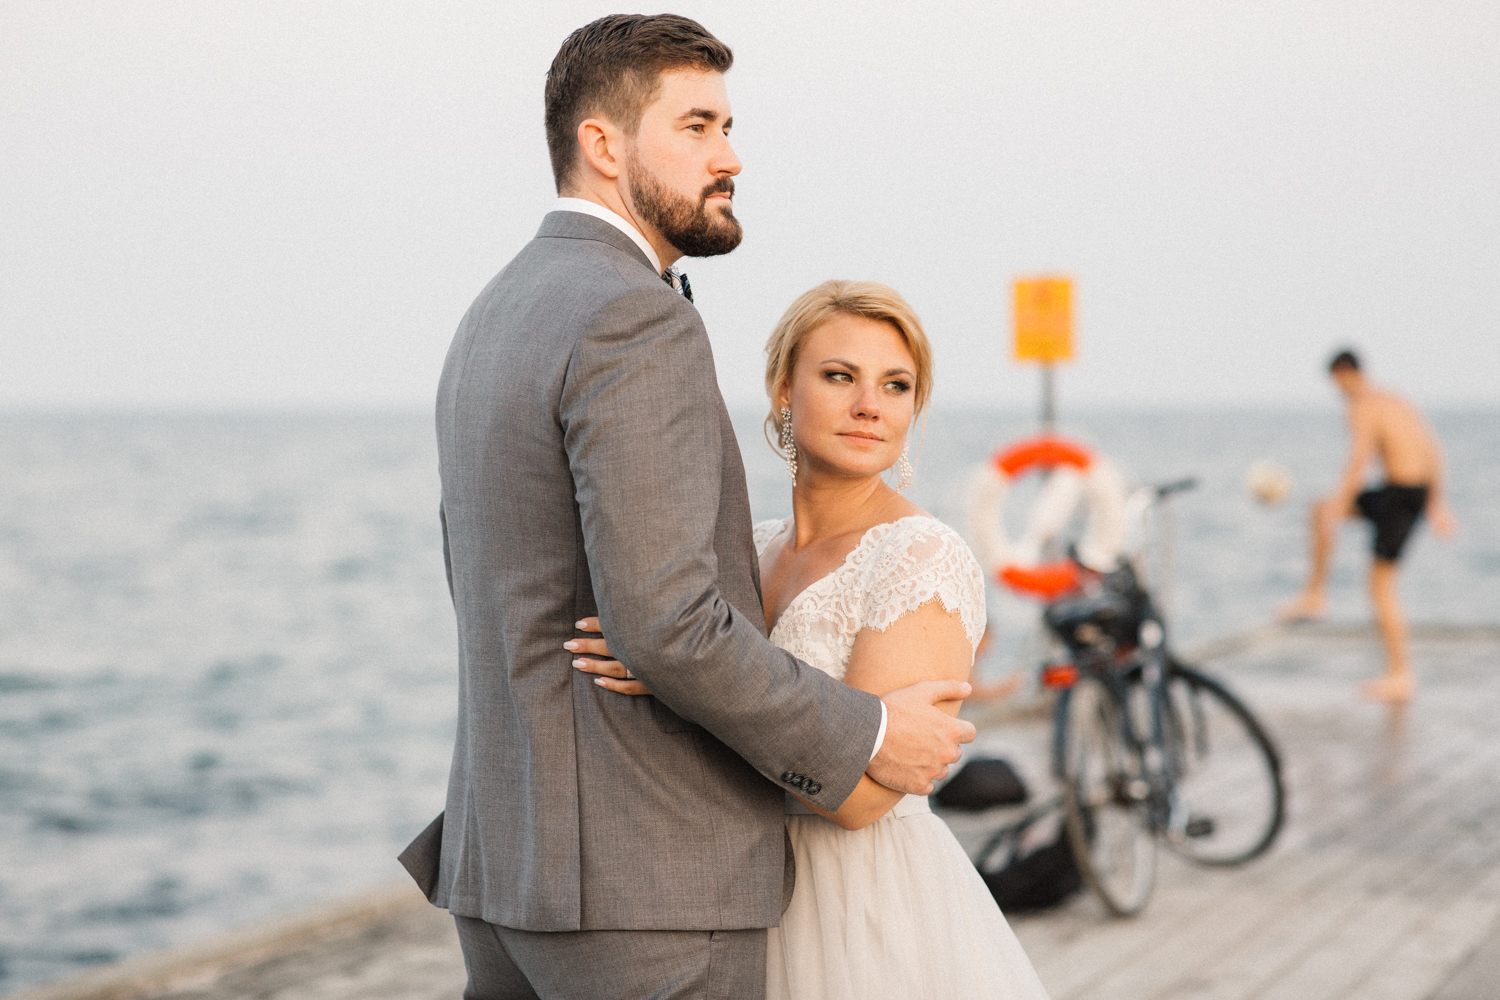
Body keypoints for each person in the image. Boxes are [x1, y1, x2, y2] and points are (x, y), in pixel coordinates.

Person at [397, 15, 976, 999]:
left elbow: (506, 578)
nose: (731, 156)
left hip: (504, 864)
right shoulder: (634, 316)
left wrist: (655, 638)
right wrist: (873, 733)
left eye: (728, 126)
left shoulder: (494, 313)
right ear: (604, 144)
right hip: (647, 884)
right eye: (699, 126)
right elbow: (665, 621)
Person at [578, 281, 1052, 999]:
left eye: (896, 386)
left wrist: (684, 680)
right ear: (782, 390)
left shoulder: (921, 556)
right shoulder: (750, 549)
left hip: (863, 907)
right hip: (739, 897)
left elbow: (862, 798)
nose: (870, 405)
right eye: (840, 376)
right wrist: (678, 658)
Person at [1279, 349, 1456, 701]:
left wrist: (1339, 508)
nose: (1337, 391)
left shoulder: (1361, 406)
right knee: (1319, 510)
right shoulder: (1395, 400)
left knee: (1381, 587)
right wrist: (1436, 503)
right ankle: (1315, 594)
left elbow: (1359, 461)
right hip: (1411, 492)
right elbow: (1432, 450)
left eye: (1336, 383)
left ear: (1346, 374)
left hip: (1399, 496)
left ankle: (1400, 675)